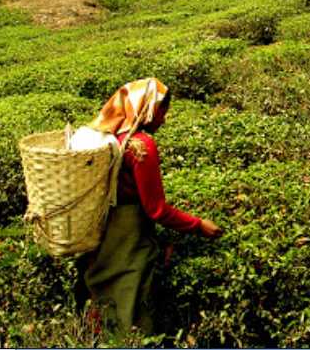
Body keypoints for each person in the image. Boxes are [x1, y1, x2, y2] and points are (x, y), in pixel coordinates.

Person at [76, 77, 221, 336]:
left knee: (104, 292)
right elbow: (156, 210)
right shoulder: (141, 146)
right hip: (127, 236)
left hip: (101, 233)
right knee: (131, 293)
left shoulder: (108, 139)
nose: (164, 119)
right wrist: (199, 226)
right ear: (147, 107)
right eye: (162, 111)